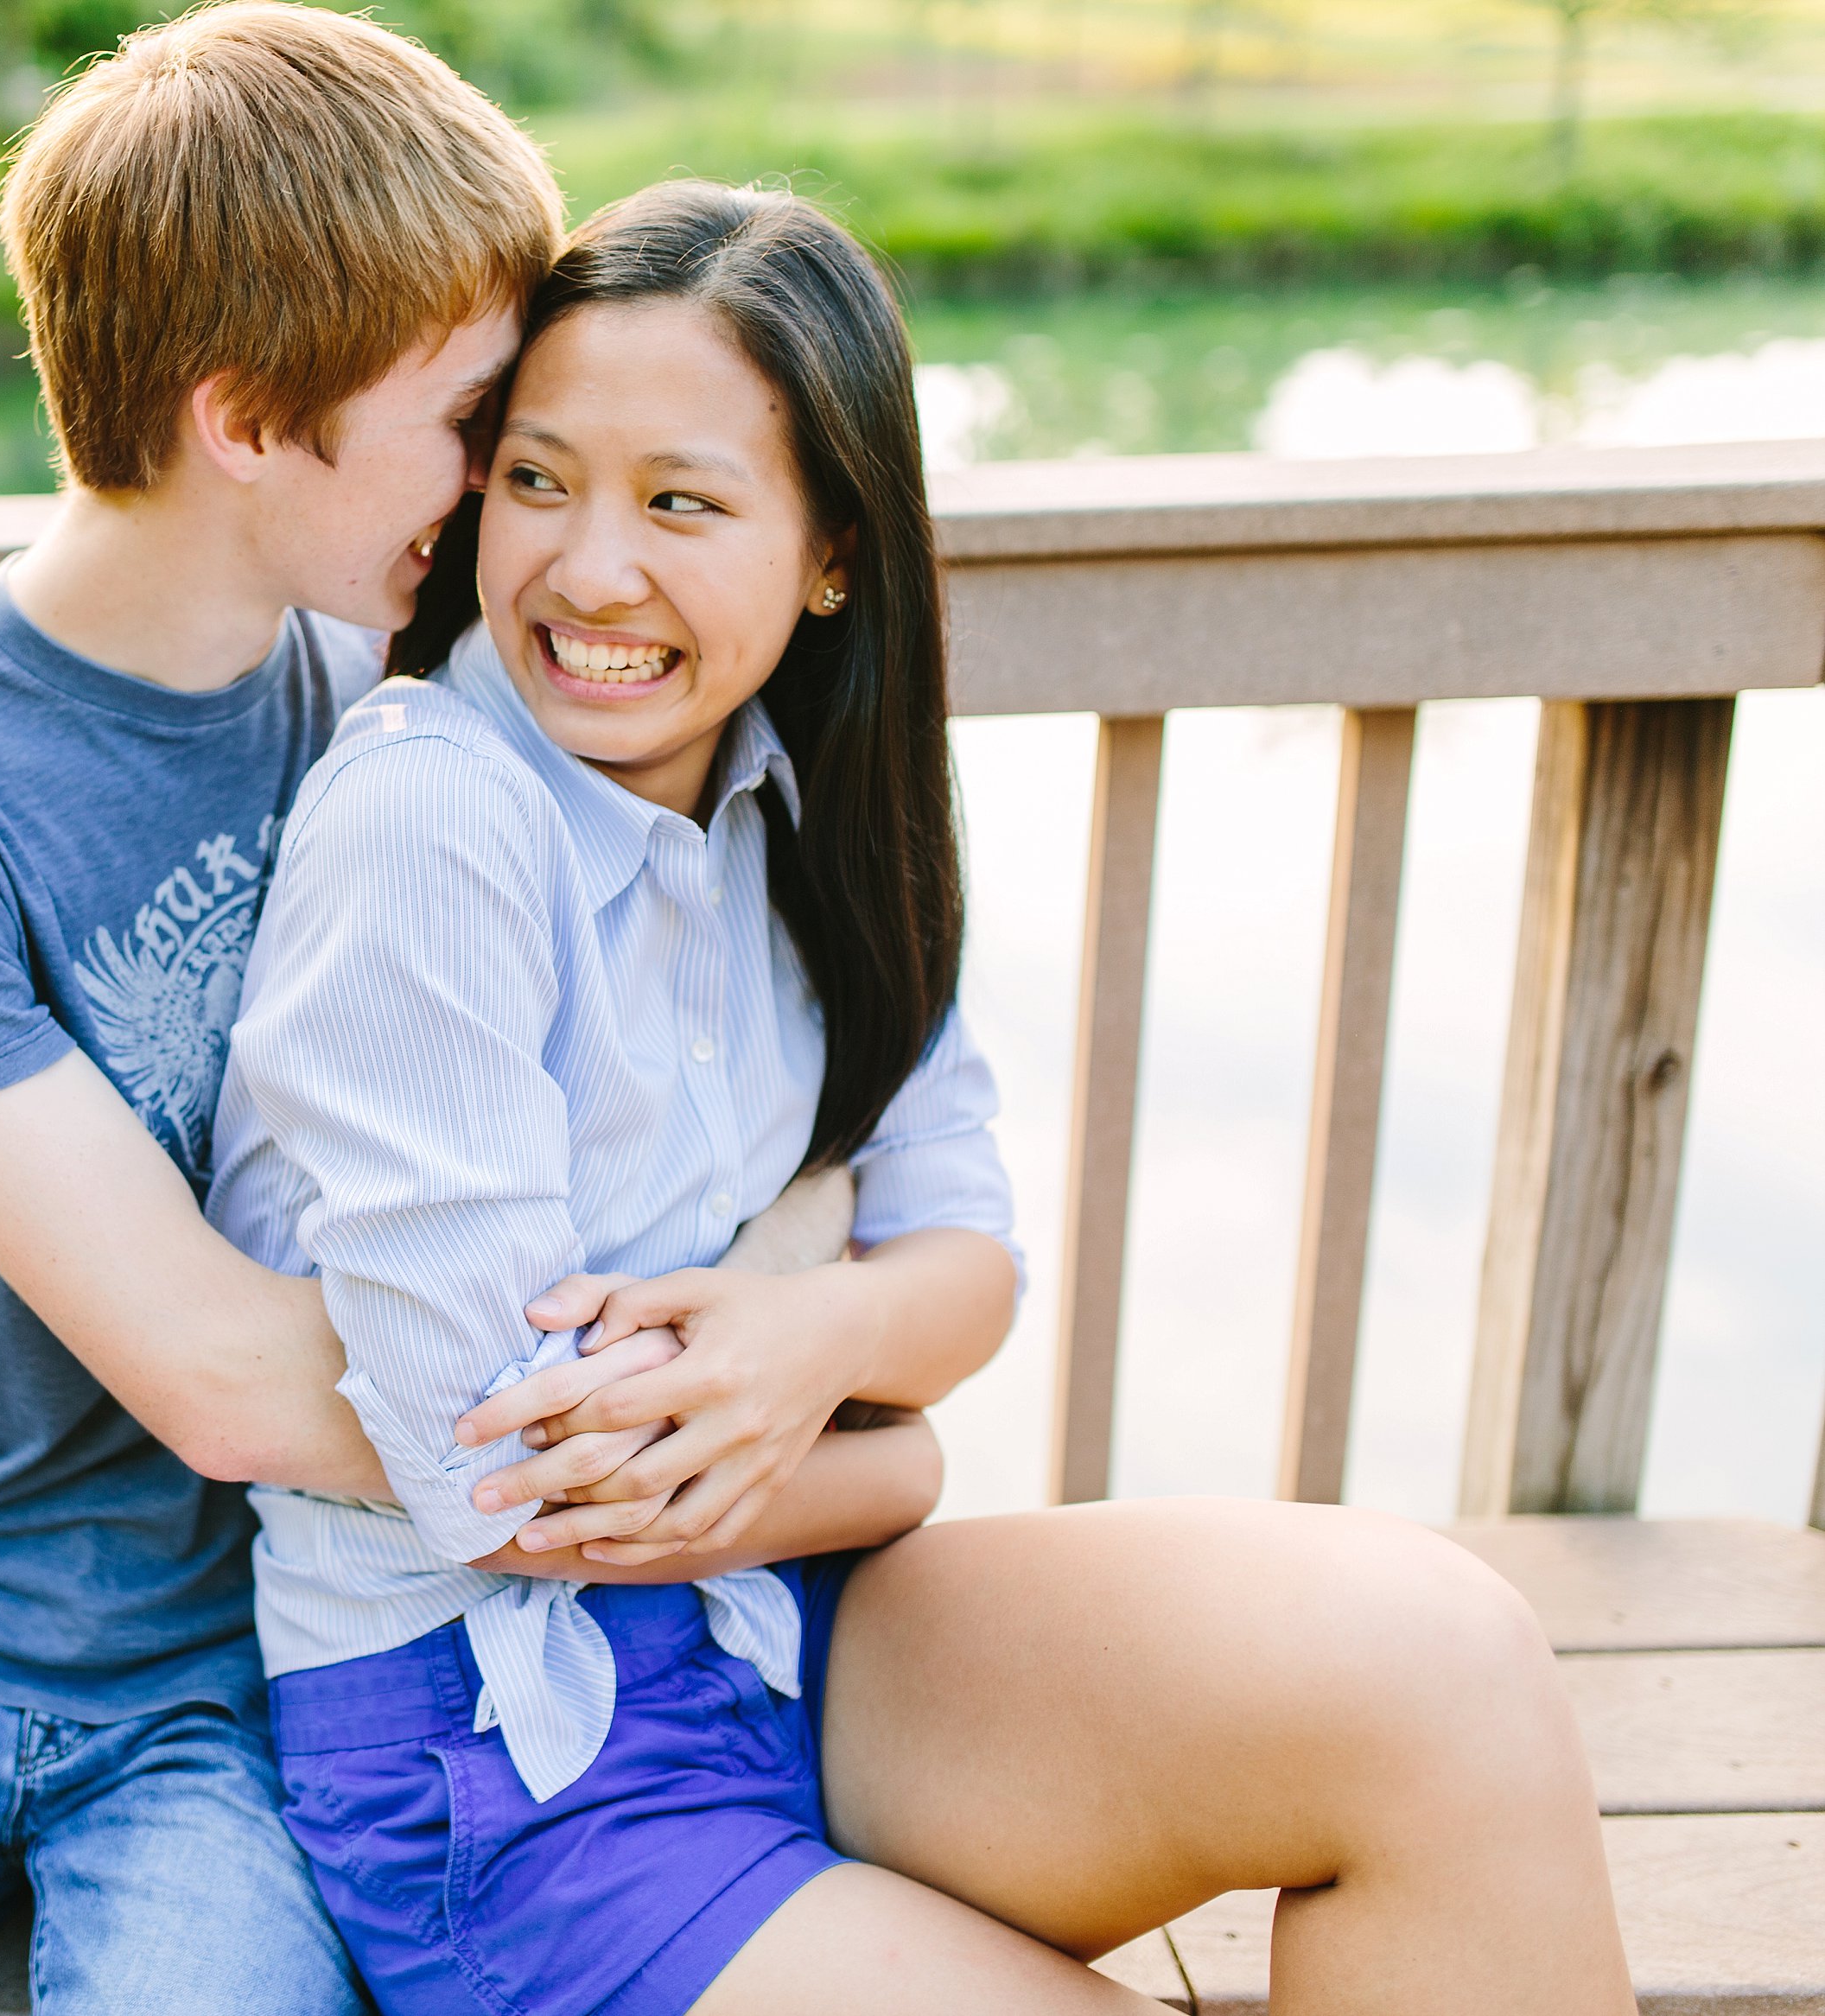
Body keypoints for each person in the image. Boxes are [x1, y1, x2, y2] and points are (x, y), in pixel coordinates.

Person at [0, 11, 862, 2013]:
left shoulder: (440, 690)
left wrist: (814, 1305)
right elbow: (221, 1376)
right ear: (245, 419)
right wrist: (748, 1432)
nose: (511, 491)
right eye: (475, 419)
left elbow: (723, 1027)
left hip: (257, 1656)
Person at [206, 180, 1637, 2016]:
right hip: (508, 1754)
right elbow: (509, 1484)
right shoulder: (433, 814)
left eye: (683, 502)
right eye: (536, 478)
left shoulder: (820, 806)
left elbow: (962, 1263)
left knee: (1438, 1664)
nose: (587, 570)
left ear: (831, 552)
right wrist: (897, 1454)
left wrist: (820, 1339)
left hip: (806, 1640)